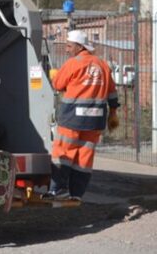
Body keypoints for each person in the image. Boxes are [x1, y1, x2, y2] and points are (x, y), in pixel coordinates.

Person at [47, 30, 120, 201]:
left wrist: (54, 75)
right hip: (95, 120)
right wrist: (113, 112)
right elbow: (112, 93)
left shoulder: (74, 63)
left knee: (63, 153)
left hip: (72, 118)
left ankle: (57, 190)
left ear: (79, 47)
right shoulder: (102, 65)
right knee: (84, 158)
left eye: (69, 46)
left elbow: (58, 85)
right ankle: (77, 194)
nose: (66, 49)